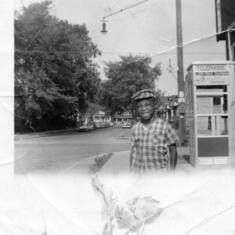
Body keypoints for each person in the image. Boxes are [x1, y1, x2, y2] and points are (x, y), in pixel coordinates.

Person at [130, 89, 178, 173]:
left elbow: (173, 150)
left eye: (147, 105)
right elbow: (134, 151)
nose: (144, 108)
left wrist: (172, 173)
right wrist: (131, 171)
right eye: (140, 106)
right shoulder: (135, 128)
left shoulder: (164, 126)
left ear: (154, 106)